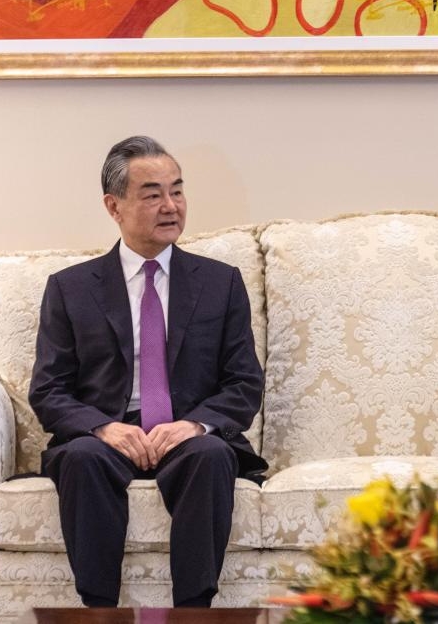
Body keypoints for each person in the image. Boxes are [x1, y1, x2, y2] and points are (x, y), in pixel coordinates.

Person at [29, 136, 266, 608]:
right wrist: (102, 428)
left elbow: (244, 382)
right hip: (108, 433)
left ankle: (193, 613)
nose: (170, 205)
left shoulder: (221, 283)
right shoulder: (70, 289)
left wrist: (194, 424)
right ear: (113, 206)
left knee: (211, 455)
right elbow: (49, 390)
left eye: (177, 191)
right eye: (152, 193)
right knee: (81, 459)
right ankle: (99, 612)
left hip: (187, 430)